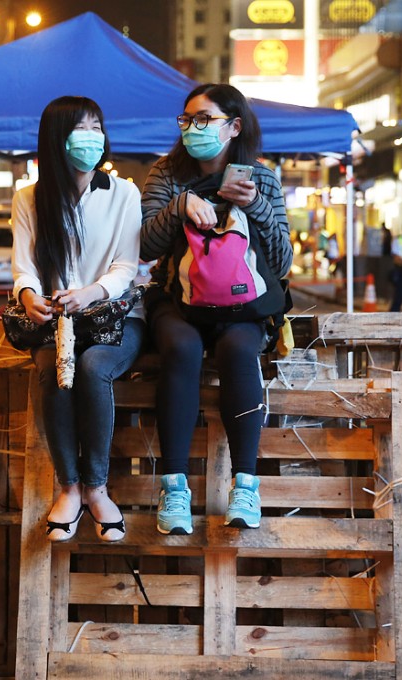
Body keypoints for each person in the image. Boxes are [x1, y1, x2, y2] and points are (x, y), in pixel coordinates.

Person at [140, 83, 291, 534]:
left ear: (234, 126)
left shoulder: (260, 177)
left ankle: (245, 485)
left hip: (242, 306)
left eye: (204, 119)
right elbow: (145, 245)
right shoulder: (165, 174)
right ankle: (174, 487)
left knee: (241, 351)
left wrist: (257, 207)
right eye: (187, 120)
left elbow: (282, 262)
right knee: (182, 349)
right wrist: (180, 207)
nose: (193, 128)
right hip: (178, 301)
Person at [12, 96, 144, 543]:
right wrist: (29, 295)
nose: (91, 138)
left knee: (92, 368)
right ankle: (68, 488)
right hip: (59, 324)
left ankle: (96, 488)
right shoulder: (29, 198)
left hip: (115, 317)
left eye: (97, 127)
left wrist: (90, 292)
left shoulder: (124, 192)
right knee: (52, 370)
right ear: (55, 138)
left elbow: (127, 267)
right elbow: (23, 267)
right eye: (80, 129)